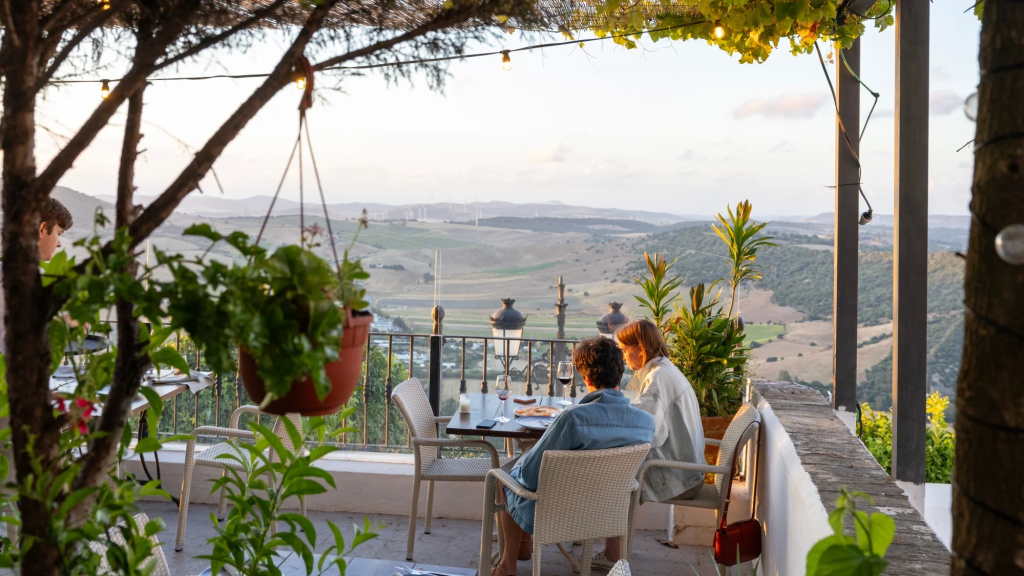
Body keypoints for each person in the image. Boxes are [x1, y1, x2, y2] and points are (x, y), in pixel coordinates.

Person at [491, 336, 654, 576]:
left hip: (554, 513)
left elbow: (530, 476)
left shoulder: (571, 420)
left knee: (505, 476)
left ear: (586, 378)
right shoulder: (645, 423)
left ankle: (507, 565)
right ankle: (524, 548)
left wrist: (521, 462)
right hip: (604, 512)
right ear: (620, 373)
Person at [588, 318, 705, 569]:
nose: (622, 356)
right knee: (615, 468)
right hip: (686, 468)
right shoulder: (663, 370)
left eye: (623, 350)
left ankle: (610, 554)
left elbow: (645, 432)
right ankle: (608, 549)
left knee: (614, 475)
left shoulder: (658, 379)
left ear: (639, 348)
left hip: (680, 477)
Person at [0, 197, 74, 356]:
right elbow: (14, 343)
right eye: (58, 233)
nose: (59, 244)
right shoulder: (10, 277)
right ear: (42, 229)